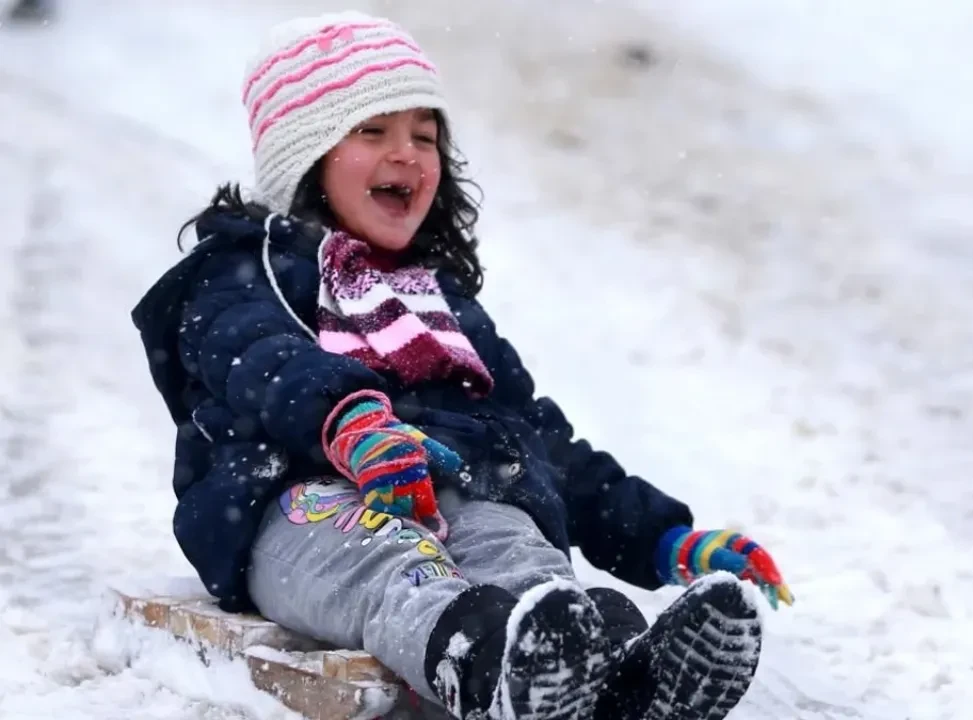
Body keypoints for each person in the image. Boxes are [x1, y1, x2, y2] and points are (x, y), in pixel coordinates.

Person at [130, 11, 793, 720]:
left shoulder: (437, 303)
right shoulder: (242, 270)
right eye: (372, 130)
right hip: (301, 503)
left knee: (525, 557)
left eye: (425, 134)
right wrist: (350, 422)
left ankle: (625, 683)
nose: (408, 153)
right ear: (307, 149)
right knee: (394, 570)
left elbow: (532, 437)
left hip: (456, 493)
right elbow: (261, 357)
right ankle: (492, 671)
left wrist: (664, 536)